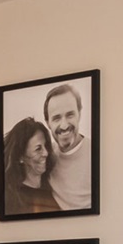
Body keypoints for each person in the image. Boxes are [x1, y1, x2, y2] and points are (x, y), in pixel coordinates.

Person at [43, 81, 92, 213]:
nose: (64, 125)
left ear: (79, 114)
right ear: (48, 123)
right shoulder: (45, 156)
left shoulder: (96, 154)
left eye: (70, 115)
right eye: (56, 118)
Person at [0, 117, 58, 215]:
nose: (46, 153)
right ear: (20, 157)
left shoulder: (54, 184)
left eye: (45, 146)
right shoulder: (11, 200)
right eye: (38, 149)